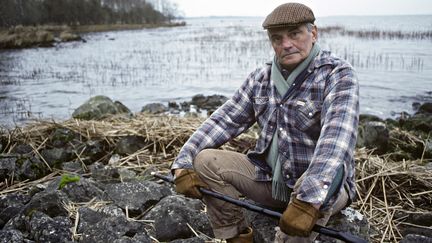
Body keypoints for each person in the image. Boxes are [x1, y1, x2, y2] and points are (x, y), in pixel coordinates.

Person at [171, 2, 359, 243]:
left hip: (322, 185)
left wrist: (307, 200)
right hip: (270, 180)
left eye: (295, 34)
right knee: (205, 160)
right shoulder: (260, 78)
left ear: (313, 33)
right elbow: (224, 120)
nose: (286, 44)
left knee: (302, 210)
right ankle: (237, 236)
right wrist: (183, 161)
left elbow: (336, 141)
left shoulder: (338, 74)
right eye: (277, 38)